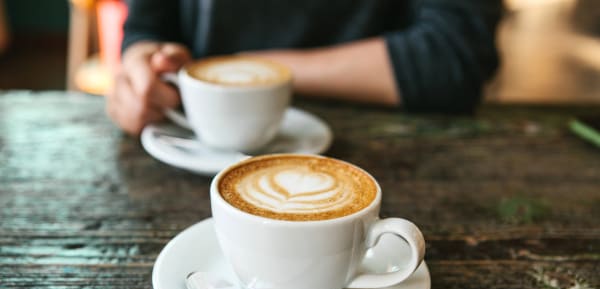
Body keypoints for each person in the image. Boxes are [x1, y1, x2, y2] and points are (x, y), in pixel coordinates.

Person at [107, 0, 502, 135]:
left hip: (388, 153)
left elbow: (455, 57)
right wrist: (141, 68)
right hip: (194, 152)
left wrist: (251, 73)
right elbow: (147, 26)